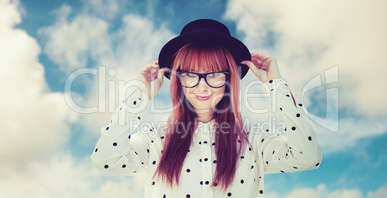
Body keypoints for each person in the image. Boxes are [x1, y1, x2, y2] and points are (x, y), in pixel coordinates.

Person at [90, 19, 322, 198]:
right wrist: (139, 96)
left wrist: (276, 85)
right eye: (190, 74)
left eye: (214, 75)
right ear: (178, 80)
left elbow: (308, 157)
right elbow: (105, 160)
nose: (202, 86)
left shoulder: (253, 141)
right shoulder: (156, 139)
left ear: (229, 79)